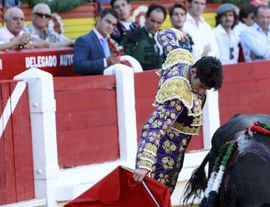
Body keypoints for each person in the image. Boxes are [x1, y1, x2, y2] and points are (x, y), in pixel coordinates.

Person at [133, 29, 223, 193]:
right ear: (194, 72)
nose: (202, 92)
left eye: (206, 89)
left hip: (175, 149)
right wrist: (144, 164)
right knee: (159, 193)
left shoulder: (182, 56)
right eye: (201, 86)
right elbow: (154, 127)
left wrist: (176, 33)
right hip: (163, 153)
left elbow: (165, 37)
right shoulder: (178, 95)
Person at [73, 8, 121, 75]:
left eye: (113, 25)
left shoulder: (111, 42)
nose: (110, 27)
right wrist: (105, 62)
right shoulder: (84, 40)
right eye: (108, 22)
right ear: (99, 19)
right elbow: (78, 65)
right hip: (94, 83)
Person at [121, 3, 166, 70]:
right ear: (146, 17)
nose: (155, 25)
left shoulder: (165, 38)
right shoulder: (132, 36)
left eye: (158, 23)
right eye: (152, 21)